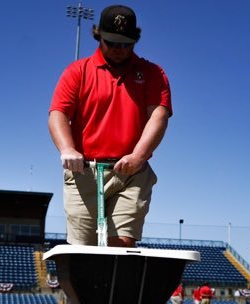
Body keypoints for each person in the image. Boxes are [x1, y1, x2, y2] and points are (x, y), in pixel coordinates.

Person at [48, 5, 172, 247]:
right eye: (112, 42)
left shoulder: (152, 73)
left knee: (122, 245)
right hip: (84, 170)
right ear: (99, 36)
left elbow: (159, 115)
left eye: (126, 44)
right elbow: (58, 114)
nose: (119, 49)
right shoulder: (78, 71)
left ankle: (118, 285)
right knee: (81, 251)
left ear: (135, 40)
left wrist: (138, 156)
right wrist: (67, 149)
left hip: (131, 172)